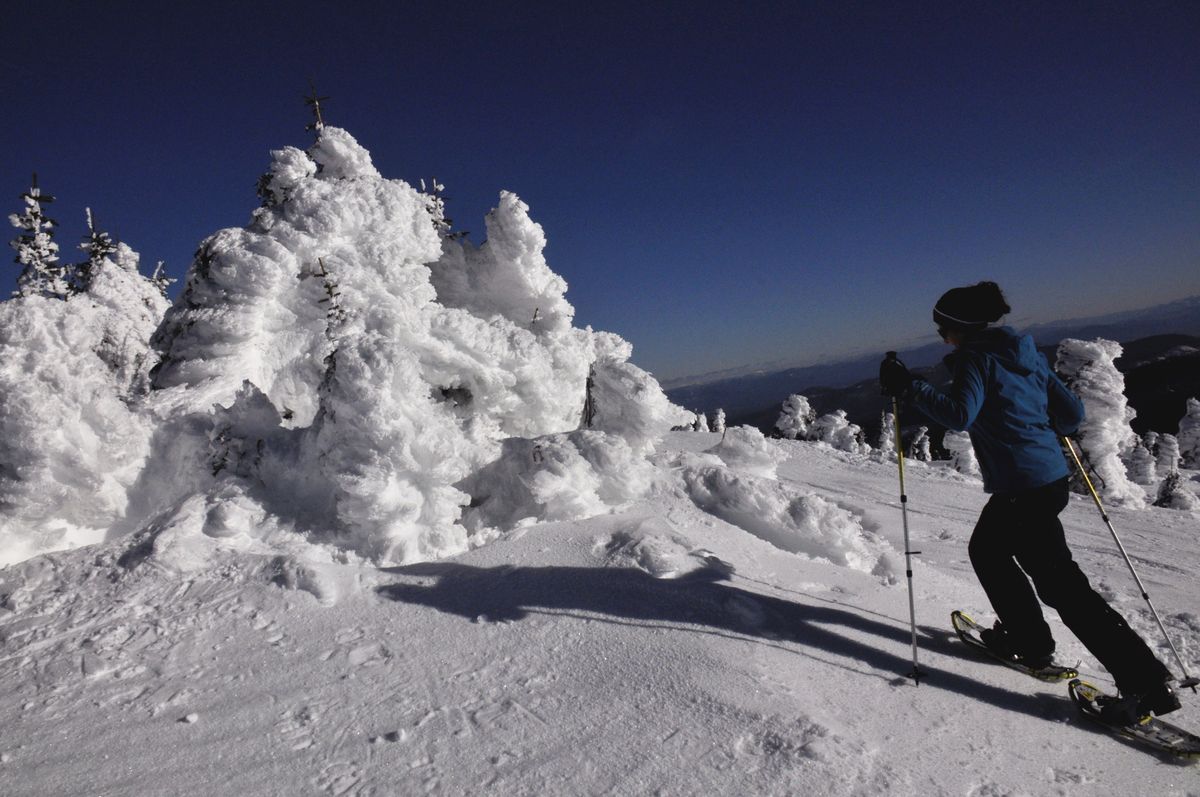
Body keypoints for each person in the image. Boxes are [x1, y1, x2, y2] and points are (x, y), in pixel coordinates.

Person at [879, 280, 1179, 725]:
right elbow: (1071, 416)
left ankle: (1142, 683)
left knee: (1055, 583)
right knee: (1005, 556)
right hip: (1047, 481)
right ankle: (1036, 643)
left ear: (959, 328)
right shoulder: (1024, 353)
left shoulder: (976, 358)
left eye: (943, 328)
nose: (942, 337)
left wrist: (909, 387)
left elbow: (960, 414)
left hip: (1021, 487)